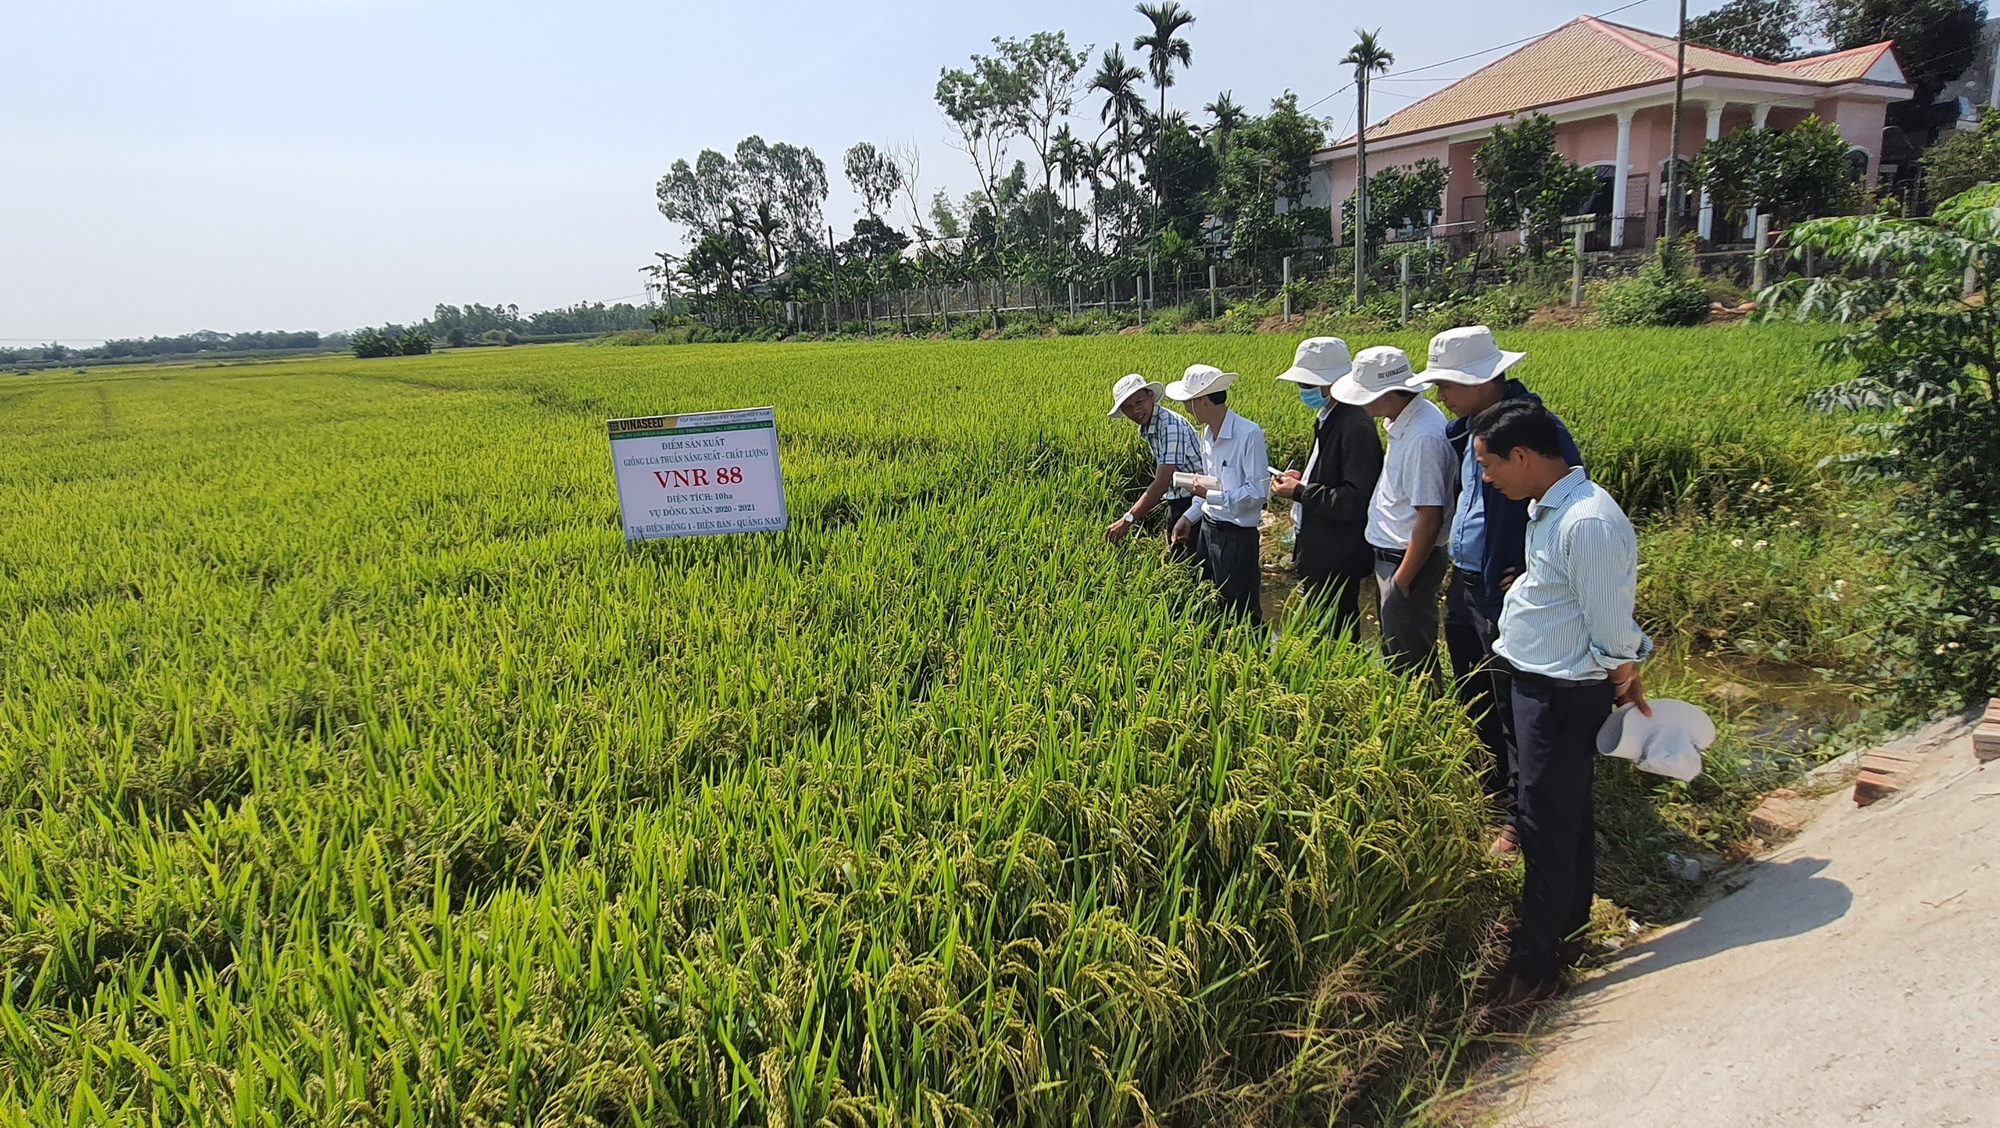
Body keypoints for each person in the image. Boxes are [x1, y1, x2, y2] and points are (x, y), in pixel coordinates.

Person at [1473, 398, 1652, 1006]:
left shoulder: (1589, 522)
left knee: (1546, 823)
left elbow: (1610, 624)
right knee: (1560, 811)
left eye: (1489, 466)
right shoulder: (1548, 507)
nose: (1487, 477)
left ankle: (1536, 965)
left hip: (1562, 691)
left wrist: (1625, 675)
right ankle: (1568, 926)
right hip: (1535, 679)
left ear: (1522, 456)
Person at [1422, 326, 1584, 854]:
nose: (1440, 394)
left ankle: (1519, 816)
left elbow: (1570, 506)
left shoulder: (1534, 430)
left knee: (1513, 699)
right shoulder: (1462, 430)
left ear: (1482, 380)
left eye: (1447, 383)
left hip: (1507, 587)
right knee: (1474, 687)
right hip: (1468, 579)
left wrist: (1534, 572)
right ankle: (1492, 786)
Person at [1330, 345, 1454, 673]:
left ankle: (1423, 720)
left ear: (1387, 394)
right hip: (1395, 559)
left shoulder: (1422, 437)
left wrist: (1401, 582)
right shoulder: (1405, 421)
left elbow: (1430, 517)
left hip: (1407, 562)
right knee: (1396, 651)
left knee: (1411, 664)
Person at [1272, 337, 1383, 638]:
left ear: (1333, 384)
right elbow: (1330, 474)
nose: (1303, 392)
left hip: (1338, 555)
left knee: (1337, 635)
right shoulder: (1329, 417)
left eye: (1309, 385)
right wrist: (1303, 478)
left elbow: (1355, 498)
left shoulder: (1355, 425)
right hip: (1322, 548)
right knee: (1321, 630)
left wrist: (1299, 491)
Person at [1166, 363, 1270, 624]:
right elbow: (1208, 485)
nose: (1186, 408)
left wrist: (1211, 496)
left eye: (1188, 402)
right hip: (1208, 533)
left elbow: (1257, 493)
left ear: (1202, 401)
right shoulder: (1207, 436)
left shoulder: (1249, 434)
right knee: (1212, 604)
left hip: (1236, 538)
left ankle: (1254, 660)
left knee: (1243, 614)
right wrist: (1188, 518)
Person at [1105, 372, 1203, 560]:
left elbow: (1161, 483)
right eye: (1127, 407)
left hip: (1195, 500)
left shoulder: (1169, 426)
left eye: (1139, 402)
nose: (1134, 411)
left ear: (1151, 396)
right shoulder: (1149, 425)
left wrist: (1127, 520)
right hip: (1177, 497)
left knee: (1191, 562)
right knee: (1177, 558)